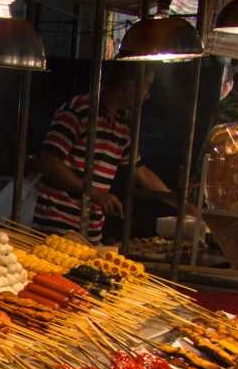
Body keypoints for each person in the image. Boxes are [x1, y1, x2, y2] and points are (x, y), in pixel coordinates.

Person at [33, 62, 189, 244]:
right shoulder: (80, 110)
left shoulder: (121, 127)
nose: (147, 95)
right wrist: (95, 193)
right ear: (130, 86)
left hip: (90, 235)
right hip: (56, 229)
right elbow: (48, 162)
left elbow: (141, 172)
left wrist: (179, 204)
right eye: (146, 86)